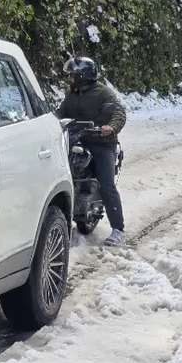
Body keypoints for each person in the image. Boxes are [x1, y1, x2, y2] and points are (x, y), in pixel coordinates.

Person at [58, 56, 127, 247]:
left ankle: (118, 230)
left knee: (107, 185)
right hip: (76, 139)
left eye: (73, 75)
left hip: (101, 143)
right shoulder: (73, 94)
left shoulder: (103, 93)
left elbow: (119, 113)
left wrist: (110, 128)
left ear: (83, 76)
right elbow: (60, 113)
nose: (70, 79)